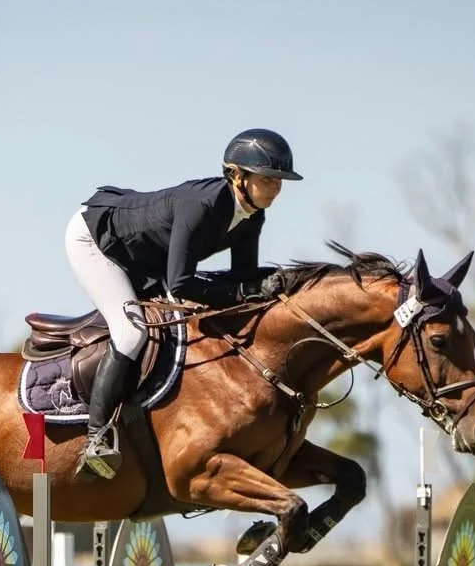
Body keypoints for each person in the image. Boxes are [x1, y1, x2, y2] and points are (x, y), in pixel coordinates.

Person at [64, 128, 302, 478]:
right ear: (237, 176)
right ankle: (96, 437)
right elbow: (181, 284)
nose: (277, 187)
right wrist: (244, 291)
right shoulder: (201, 206)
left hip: (145, 256)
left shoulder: (253, 215)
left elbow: (241, 279)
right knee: (131, 333)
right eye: (268, 178)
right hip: (96, 239)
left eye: (279, 180)